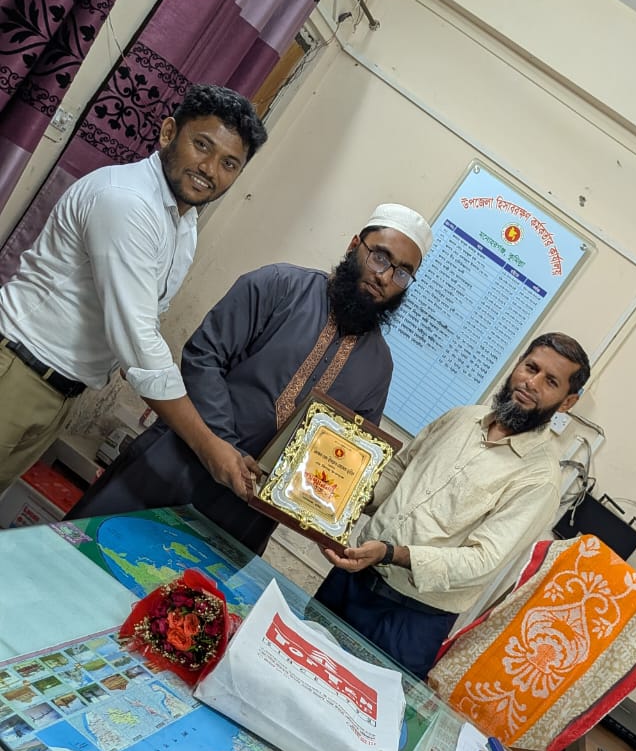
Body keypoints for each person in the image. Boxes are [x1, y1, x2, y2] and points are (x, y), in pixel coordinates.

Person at [67, 204, 432, 552]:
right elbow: (204, 356)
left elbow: (350, 456)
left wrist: (325, 513)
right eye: (380, 257)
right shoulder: (278, 285)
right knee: (84, 560)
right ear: (354, 245)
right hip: (175, 462)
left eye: (402, 273)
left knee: (183, 596)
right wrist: (223, 445)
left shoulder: (378, 367)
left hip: (248, 513)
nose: (385, 277)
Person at [0, 83, 268, 496]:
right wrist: (209, 446)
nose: (210, 169)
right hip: (15, 372)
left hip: (58, 393)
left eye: (229, 163)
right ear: (168, 132)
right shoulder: (126, 201)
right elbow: (139, 343)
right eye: (202, 145)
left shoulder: (183, 223)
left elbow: (143, 328)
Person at [315, 332, 591, 678]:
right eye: (530, 367)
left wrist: (391, 554)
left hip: (409, 620)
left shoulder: (540, 479)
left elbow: (482, 560)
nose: (531, 383)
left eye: (550, 382)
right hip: (350, 578)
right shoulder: (461, 418)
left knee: (351, 705)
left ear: (567, 402)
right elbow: (397, 474)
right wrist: (331, 494)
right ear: (518, 364)